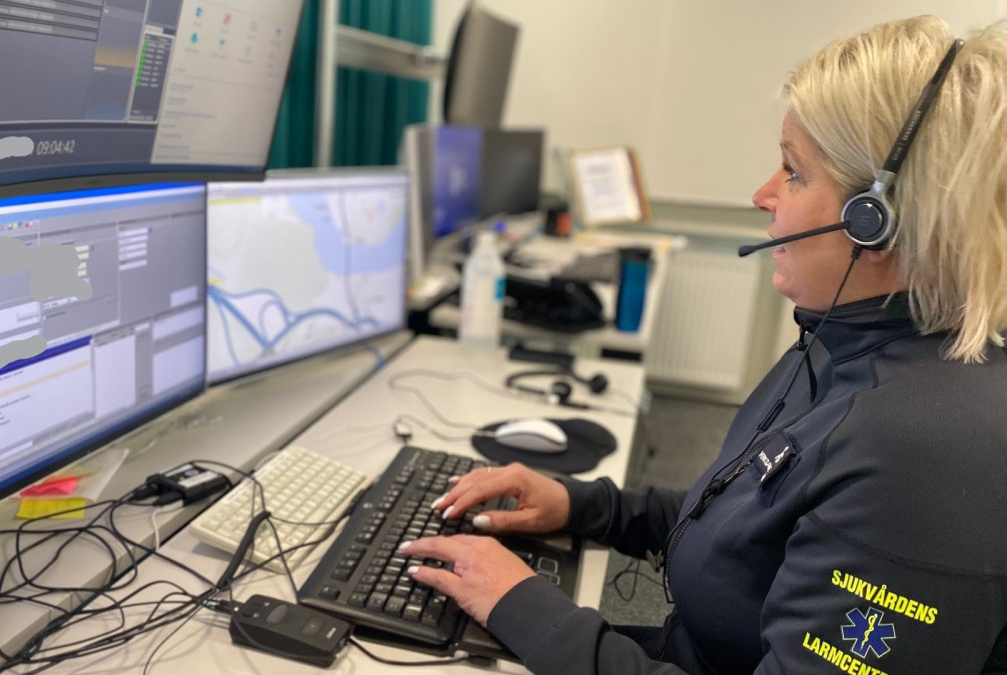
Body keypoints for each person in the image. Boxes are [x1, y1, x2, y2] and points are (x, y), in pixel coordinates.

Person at [401, 15, 1007, 674]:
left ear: (877, 220)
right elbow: (742, 522)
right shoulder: (845, 338)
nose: (762, 195)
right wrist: (586, 505)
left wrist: (525, 607)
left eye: (792, 171)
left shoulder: (927, 454)